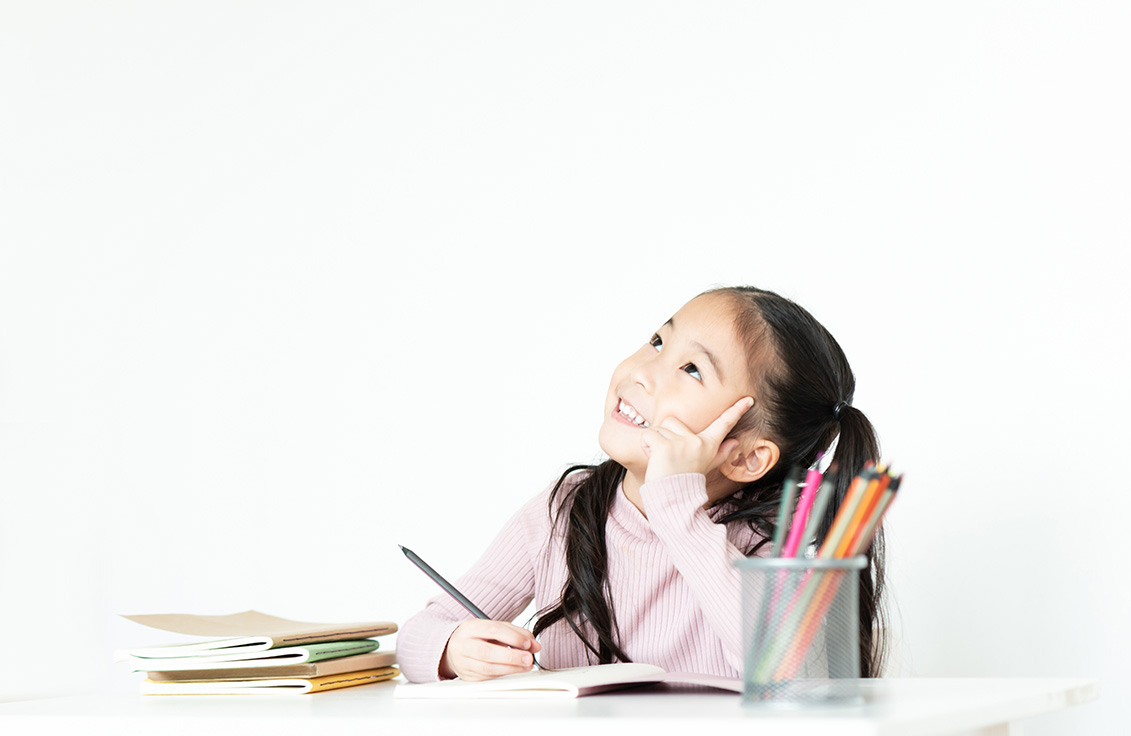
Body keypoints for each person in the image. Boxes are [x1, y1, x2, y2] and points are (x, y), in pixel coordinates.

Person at [395, 286, 887, 683]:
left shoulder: (771, 546)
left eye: (691, 370)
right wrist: (454, 650)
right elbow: (417, 638)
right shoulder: (564, 511)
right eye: (657, 342)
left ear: (746, 456)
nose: (644, 374)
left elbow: (793, 676)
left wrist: (678, 508)